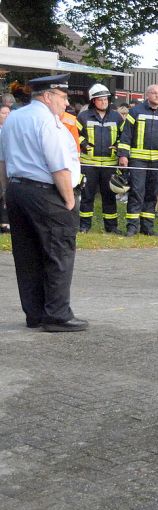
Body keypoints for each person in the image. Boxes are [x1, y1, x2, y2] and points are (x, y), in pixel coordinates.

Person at [0, 74, 88, 332]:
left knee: (27, 255)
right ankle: (58, 314)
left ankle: (35, 313)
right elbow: (58, 165)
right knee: (58, 252)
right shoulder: (48, 122)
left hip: (18, 190)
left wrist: (6, 192)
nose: (65, 103)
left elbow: (2, 160)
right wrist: (69, 199)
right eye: (62, 97)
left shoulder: (14, 118)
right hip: (46, 193)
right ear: (47, 96)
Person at [117, 84, 158, 236]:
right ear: (147, 95)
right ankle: (132, 226)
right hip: (138, 160)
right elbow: (126, 135)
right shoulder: (135, 111)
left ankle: (147, 227)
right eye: (154, 93)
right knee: (137, 192)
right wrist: (123, 155)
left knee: (153, 193)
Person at [76, 83, 124, 233]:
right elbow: (75, 135)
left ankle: (111, 227)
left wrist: (117, 146)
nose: (104, 102)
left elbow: (124, 136)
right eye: (100, 99)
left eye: (106, 99)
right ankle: (84, 226)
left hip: (109, 164)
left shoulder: (116, 116)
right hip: (88, 164)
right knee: (87, 196)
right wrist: (85, 145)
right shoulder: (83, 116)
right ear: (93, 101)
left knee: (109, 196)